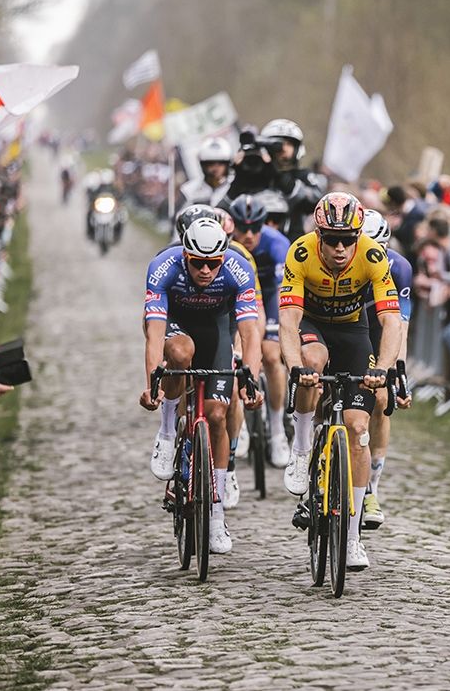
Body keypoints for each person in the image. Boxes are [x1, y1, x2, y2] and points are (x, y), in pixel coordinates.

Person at [279, 192, 401, 570]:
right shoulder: (300, 253)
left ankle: (351, 536)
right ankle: (301, 451)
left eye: (347, 239)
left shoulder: (372, 255)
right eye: (330, 239)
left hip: (353, 332)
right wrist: (295, 365)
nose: (339, 248)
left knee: (357, 426)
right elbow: (288, 320)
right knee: (312, 362)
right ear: (318, 236)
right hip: (313, 327)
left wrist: (383, 367)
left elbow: (391, 321)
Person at [141, 218, 262, 554]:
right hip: (176, 324)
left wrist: (250, 376)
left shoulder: (237, 268)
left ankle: (217, 512)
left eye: (213, 264)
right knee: (181, 352)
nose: (206, 271)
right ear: (185, 256)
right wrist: (153, 383)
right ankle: (167, 431)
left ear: (222, 258)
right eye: (198, 263)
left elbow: (250, 332)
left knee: (218, 415)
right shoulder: (163, 266)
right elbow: (153, 334)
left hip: (216, 330)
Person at [228, 194, 293, 468]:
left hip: (269, 296)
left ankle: (277, 429)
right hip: (237, 297)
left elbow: (281, 293)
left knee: (271, 355)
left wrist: (273, 328)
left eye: (256, 227)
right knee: (234, 354)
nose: (250, 235)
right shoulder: (227, 243)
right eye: (243, 229)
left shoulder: (277, 244)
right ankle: (239, 419)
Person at [359, 210, 413, 530]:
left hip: (378, 330)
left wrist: (398, 373)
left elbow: (400, 326)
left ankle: (371, 489)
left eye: (378, 251)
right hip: (343, 325)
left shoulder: (399, 268)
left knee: (380, 399)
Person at [179, 136, 233, 207]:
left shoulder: (235, 186)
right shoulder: (188, 190)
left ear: (228, 164)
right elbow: (179, 215)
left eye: (221, 163)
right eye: (210, 163)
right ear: (203, 165)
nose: (216, 167)